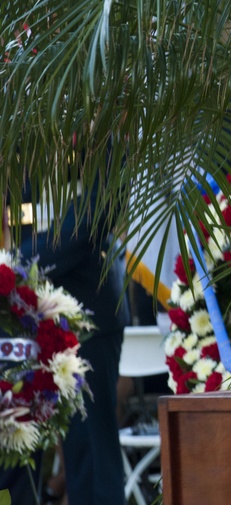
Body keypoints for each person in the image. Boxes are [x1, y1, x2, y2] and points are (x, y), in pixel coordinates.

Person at [1, 173, 129, 505]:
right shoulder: (21, 140)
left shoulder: (98, 137)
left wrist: (13, 264)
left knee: (93, 450)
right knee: (40, 448)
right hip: (24, 314)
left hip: (88, 309)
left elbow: (90, 219)